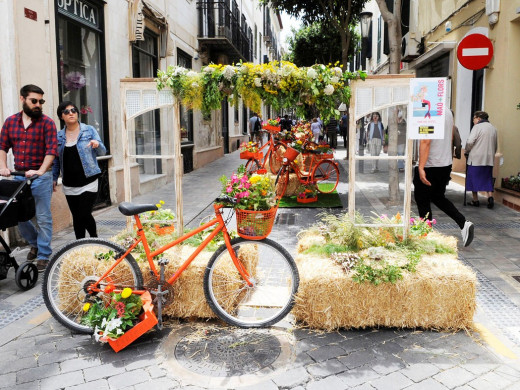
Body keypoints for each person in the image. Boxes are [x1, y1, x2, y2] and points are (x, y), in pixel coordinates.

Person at [0, 84, 58, 271]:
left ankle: (43, 254)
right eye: (34, 101)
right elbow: (3, 146)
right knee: (19, 216)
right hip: (19, 176)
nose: (38, 105)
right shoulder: (10, 122)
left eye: (41, 101)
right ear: (22, 99)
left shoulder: (47, 123)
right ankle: (34, 243)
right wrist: (3, 166)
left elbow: (52, 151)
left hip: (41, 177)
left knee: (42, 217)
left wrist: (41, 170)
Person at [413, 109, 474, 247]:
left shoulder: (428, 111)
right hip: (444, 164)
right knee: (438, 197)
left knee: (422, 200)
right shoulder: (446, 111)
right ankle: (463, 223)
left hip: (430, 165)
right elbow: (451, 137)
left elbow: (425, 141)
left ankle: (425, 237)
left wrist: (421, 167)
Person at [52, 101, 106, 239]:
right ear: (61, 117)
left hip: (89, 180)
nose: (71, 113)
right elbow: (56, 160)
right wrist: (54, 178)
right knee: (77, 216)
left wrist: (97, 144)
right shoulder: (58, 137)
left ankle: (95, 239)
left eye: (73, 110)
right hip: (69, 183)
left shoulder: (89, 130)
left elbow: (103, 152)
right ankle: (79, 245)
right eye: (66, 111)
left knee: (84, 213)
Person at [465, 111, 498, 209]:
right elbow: (495, 145)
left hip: (476, 158)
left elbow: (470, 141)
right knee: (487, 178)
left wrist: (467, 150)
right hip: (488, 159)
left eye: (474, 118)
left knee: (473, 179)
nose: (473, 121)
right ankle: (490, 197)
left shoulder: (477, 127)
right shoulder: (493, 128)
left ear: (478, 118)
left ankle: (475, 200)